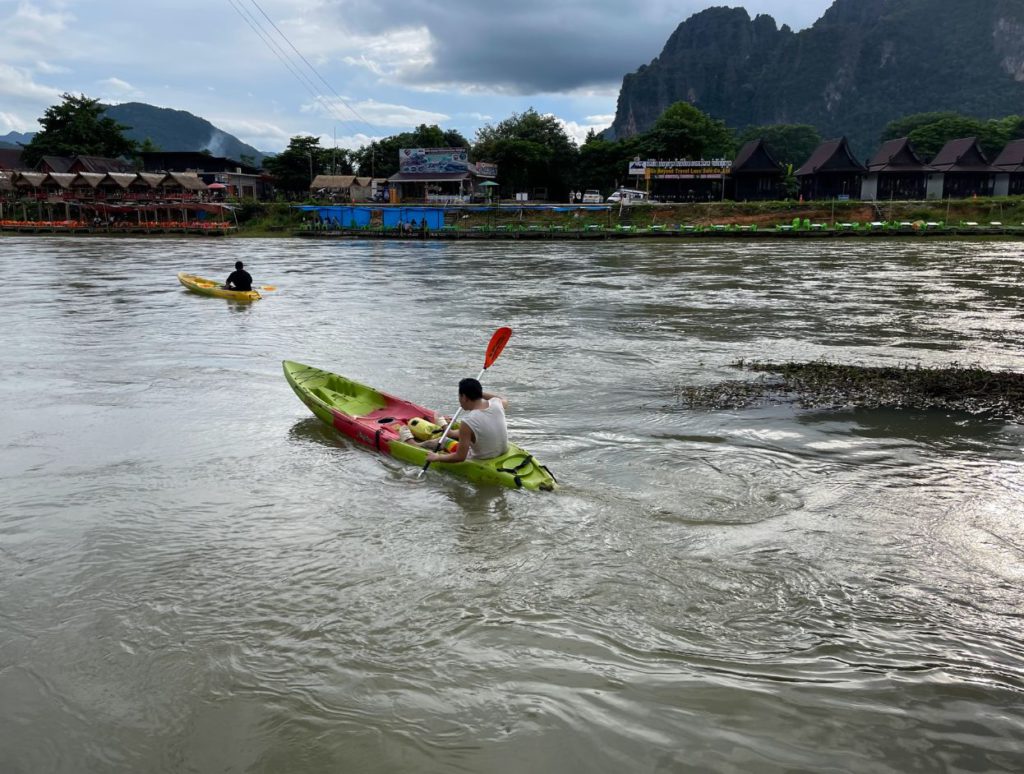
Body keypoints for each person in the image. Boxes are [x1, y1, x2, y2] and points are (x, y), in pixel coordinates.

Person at [400, 377, 508, 463]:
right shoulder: (497, 403)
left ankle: (415, 445)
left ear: (464, 397)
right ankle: (444, 427)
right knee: (458, 434)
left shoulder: (468, 421)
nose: (459, 401)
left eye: (459, 397)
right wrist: (478, 392)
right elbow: (503, 398)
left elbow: (460, 457)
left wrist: (437, 457)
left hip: (482, 459)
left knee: (445, 440)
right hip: (502, 452)